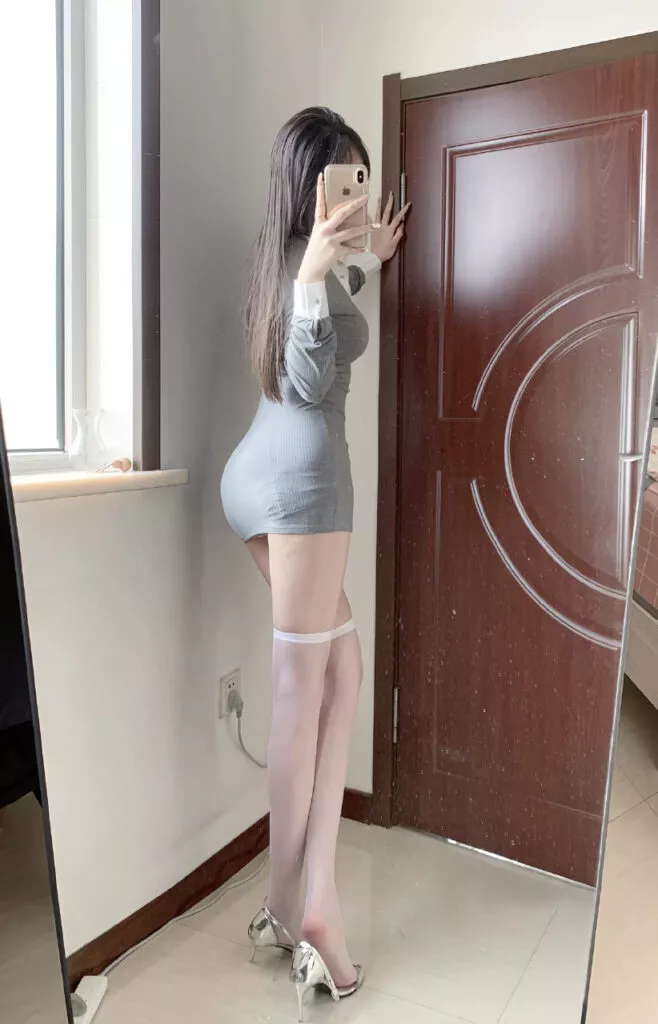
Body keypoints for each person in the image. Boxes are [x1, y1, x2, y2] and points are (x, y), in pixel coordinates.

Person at [220, 106, 409, 1019]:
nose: (353, 198)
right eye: (342, 181)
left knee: (342, 673)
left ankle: (293, 901)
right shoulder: (300, 271)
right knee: (305, 692)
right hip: (302, 491)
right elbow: (304, 377)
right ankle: (303, 910)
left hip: (261, 476)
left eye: (359, 180)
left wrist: (369, 256)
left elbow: (329, 308)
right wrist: (322, 274)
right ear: (308, 191)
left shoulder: (293, 259)